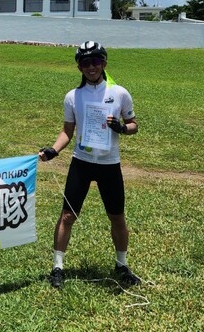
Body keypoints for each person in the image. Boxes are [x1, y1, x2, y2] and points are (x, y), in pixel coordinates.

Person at [38, 41, 141, 289]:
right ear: (79, 67)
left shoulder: (120, 94)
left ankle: (122, 264)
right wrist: (53, 150)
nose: (91, 66)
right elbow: (67, 131)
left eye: (96, 61)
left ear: (104, 63)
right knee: (67, 215)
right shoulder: (73, 97)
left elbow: (134, 125)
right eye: (85, 62)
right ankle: (57, 266)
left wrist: (121, 128)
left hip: (109, 164)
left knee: (116, 217)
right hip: (81, 163)